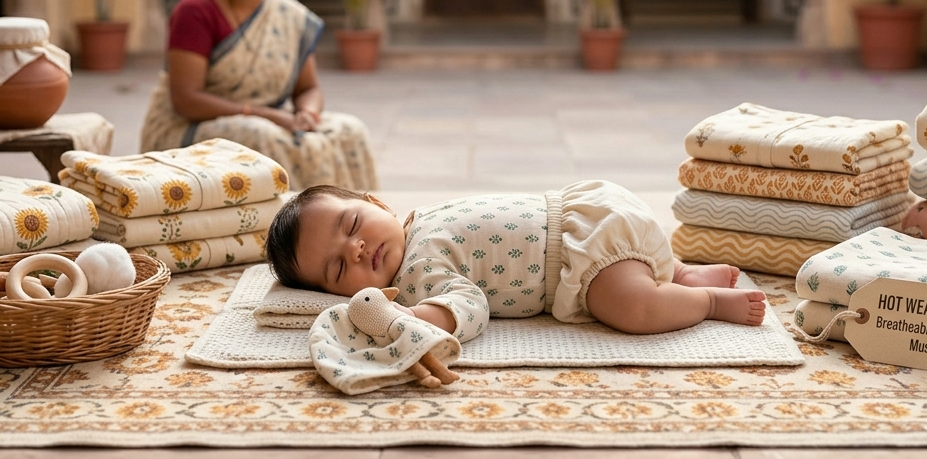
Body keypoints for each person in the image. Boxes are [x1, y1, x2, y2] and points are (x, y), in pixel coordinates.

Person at [265, 179, 766, 341]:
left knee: (632, 308)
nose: (355, 249)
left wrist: (418, 319)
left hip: (581, 246)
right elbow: (468, 302)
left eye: (352, 226)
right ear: (335, 294)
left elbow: (469, 305)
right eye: (337, 268)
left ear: (376, 204)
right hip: (593, 220)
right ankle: (678, 273)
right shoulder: (415, 279)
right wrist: (419, 312)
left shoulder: (418, 257)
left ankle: (705, 299)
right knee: (632, 279)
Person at [139, 0, 378, 191]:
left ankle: (358, 218)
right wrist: (265, 114)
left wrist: (307, 113)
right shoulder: (197, 10)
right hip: (187, 127)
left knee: (348, 130)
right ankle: (297, 228)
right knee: (261, 134)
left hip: (268, 120)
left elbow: (308, 89)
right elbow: (186, 100)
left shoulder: (288, 14)